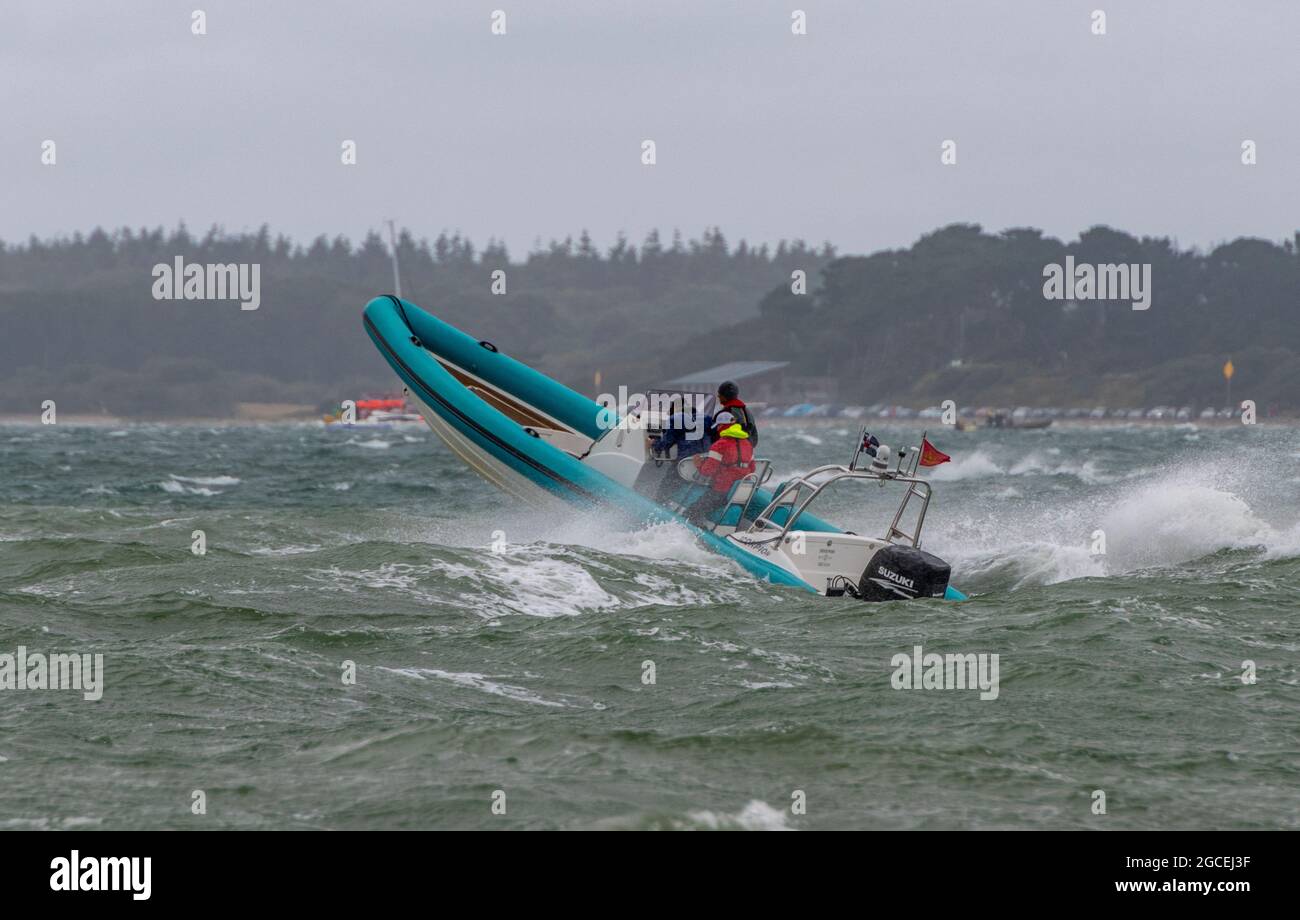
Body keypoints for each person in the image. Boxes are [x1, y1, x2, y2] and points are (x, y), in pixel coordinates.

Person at [686, 411, 756, 526]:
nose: (717, 429)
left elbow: (707, 471)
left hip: (722, 491)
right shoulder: (748, 444)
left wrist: (698, 463)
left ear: (722, 426)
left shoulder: (720, 445)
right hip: (740, 492)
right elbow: (752, 468)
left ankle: (700, 536)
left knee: (692, 512)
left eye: (718, 426)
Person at [649, 396, 707, 460]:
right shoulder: (704, 418)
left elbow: (668, 441)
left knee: (671, 469)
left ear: (676, 408)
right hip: (706, 458)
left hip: (687, 460)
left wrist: (654, 444)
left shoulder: (676, 419)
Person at [714, 380, 758, 448]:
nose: (718, 396)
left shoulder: (724, 413)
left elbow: (716, 435)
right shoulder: (748, 412)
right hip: (747, 453)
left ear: (725, 396)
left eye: (720, 393)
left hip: (728, 453)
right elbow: (755, 438)